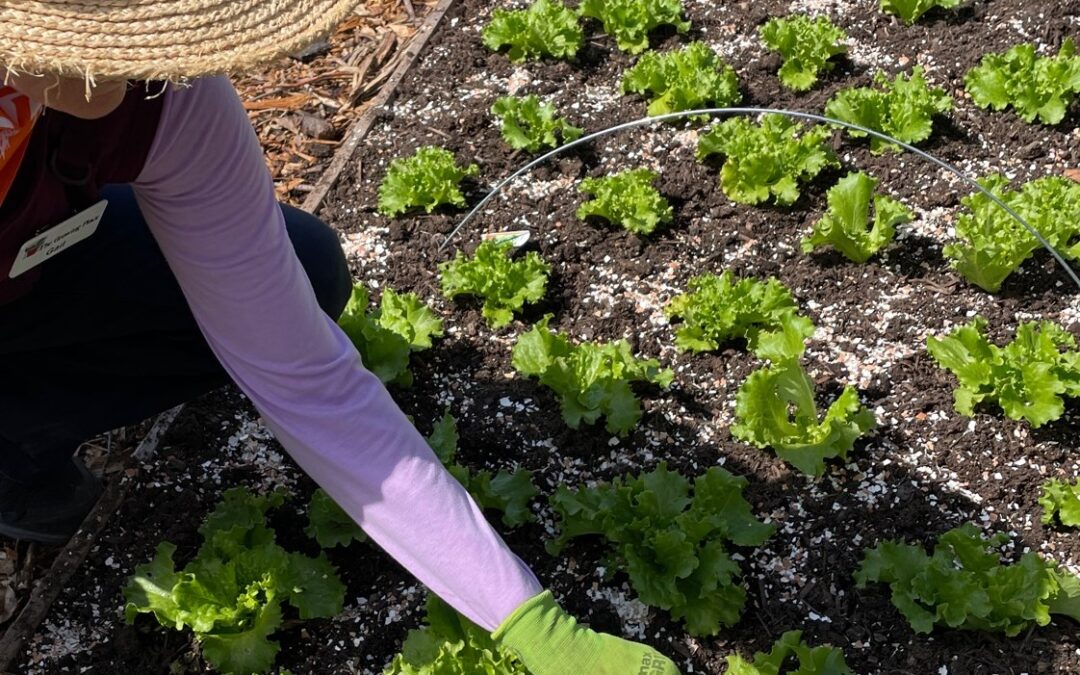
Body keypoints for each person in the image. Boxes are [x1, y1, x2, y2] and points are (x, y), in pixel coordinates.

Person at [0, 1, 682, 673]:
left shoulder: (164, 93)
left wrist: (533, 622)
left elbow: (305, 378)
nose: (123, 59)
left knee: (309, 269)